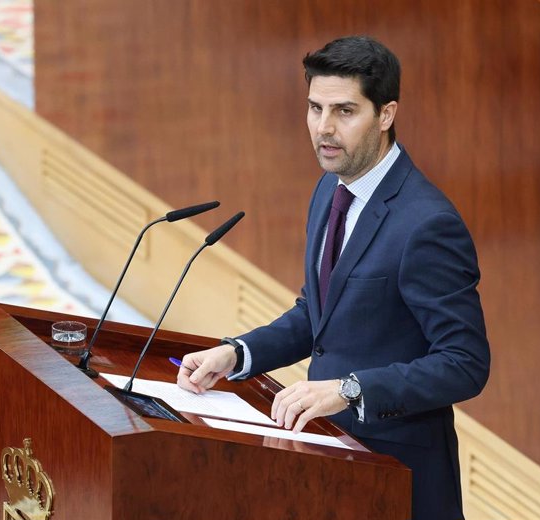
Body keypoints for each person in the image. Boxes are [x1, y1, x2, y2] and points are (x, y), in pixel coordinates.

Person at [177, 35, 490, 520]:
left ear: (385, 115)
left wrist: (349, 389)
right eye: (315, 108)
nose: (324, 128)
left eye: (345, 111)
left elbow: (465, 362)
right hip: (325, 458)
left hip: (396, 475)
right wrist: (239, 353)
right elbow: (320, 315)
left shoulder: (427, 224)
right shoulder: (330, 190)